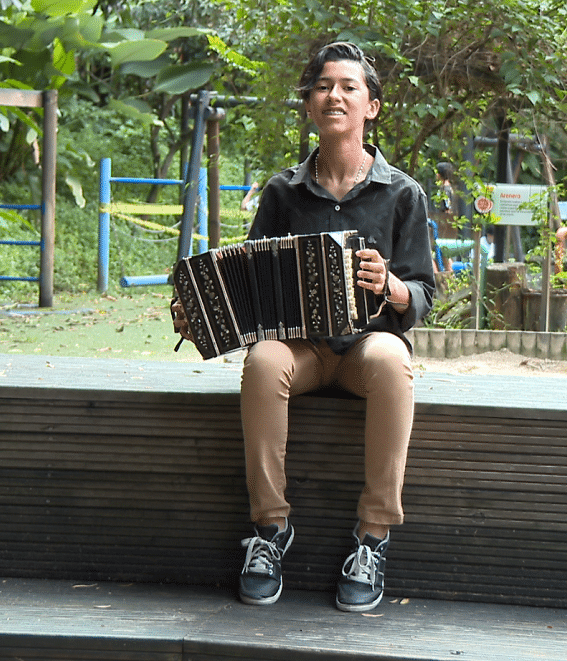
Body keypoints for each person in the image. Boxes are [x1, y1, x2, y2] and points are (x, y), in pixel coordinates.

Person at [173, 41, 435, 612]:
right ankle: (269, 531)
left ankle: (373, 537)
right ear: (310, 107)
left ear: (372, 108)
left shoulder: (402, 194)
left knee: (394, 359)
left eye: (348, 87)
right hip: (304, 350)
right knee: (265, 357)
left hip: (368, 347)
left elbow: (423, 293)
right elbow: (246, 282)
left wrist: (389, 285)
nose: (334, 94)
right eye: (322, 86)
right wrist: (203, 314)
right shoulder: (282, 192)